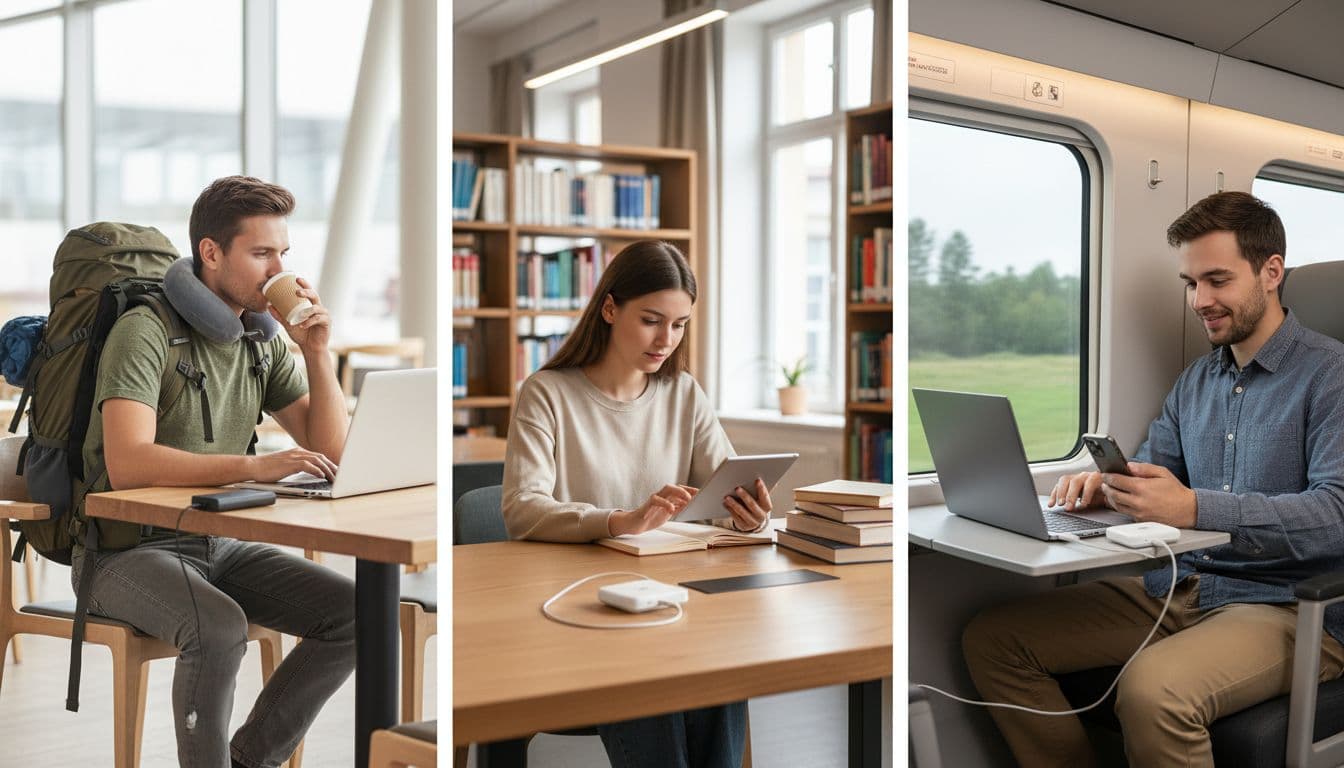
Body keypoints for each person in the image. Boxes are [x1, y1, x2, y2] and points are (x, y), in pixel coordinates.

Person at [962, 190, 1344, 767]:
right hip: (1178, 586)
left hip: (1287, 604)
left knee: (1152, 690)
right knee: (994, 641)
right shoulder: (1196, 382)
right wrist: (1109, 489)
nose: (1199, 300)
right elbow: (1154, 475)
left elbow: (1334, 517)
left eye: (1217, 280)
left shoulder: (1331, 377)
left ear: (1271, 273)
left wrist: (1194, 509)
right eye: (1191, 283)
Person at [69, 176, 355, 768]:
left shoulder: (261, 339)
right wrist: (255, 465)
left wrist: (317, 351)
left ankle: (250, 760)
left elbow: (332, 451)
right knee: (220, 628)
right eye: (262, 254)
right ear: (211, 253)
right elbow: (127, 464)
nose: (280, 269)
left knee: (358, 614)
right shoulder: (145, 331)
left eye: (283, 254)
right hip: (122, 552)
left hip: (220, 544)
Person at [502, 239, 770, 767]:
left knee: (717, 669)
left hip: (673, 603)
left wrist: (746, 513)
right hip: (582, 613)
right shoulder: (547, 393)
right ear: (609, 308)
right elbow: (521, 508)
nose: (665, 339)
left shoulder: (683, 393)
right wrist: (620, 520)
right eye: (651, 320)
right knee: (654, 682)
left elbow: (724, 488)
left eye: (679, 324)